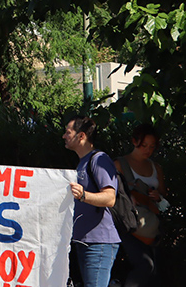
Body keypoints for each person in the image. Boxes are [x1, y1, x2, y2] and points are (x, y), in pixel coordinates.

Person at [64, 115, 120, 287]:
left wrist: (83, 195)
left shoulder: (99, 159)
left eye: (68, 132)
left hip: (99, 242)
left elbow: (110, 198)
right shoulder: (83, 162)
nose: (64, 136)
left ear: (81, 136)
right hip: (85, 241)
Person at [115, 124, 167, 287]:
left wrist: (158, 197)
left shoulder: (155, 167)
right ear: (134, 141)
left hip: (151, 226)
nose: (148, 150)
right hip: (128, 224)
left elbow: (164, 198)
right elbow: (110, 193)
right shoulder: (119, 164)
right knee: (145, 266)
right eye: (144, 145)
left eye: (152, 147)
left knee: (154, 272)